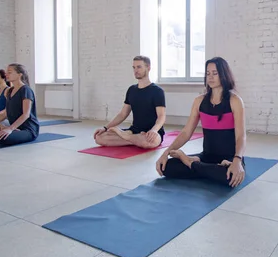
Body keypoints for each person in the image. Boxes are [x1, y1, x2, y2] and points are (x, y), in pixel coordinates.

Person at [156, 57, 247, 187]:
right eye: (208, 73)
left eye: (215, 73)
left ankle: (191, 163)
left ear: (224, 74)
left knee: (230, 176)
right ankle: (199, 166)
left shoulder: (235, 101)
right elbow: (186, 132)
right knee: (167, 167)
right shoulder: (199, 101)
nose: (210, 77)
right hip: (206, 157)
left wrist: (237, 160)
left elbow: (241, 136)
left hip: (229, 159)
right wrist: (166, 153)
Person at [93, 56, 166, 149]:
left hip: (151, 133)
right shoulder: (132, 90)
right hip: (134, 131)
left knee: (151, 142)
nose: (136, 70)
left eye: (139, 67)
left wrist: (154, 130)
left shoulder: (157, 91)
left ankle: (127, 137)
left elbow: (161, 116)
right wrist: (105, 128)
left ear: (148, 68)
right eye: (134, 67)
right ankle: (132, 139)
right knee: (99, 138)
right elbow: (123, 114)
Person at [0, 63, 40, 146]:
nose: (6, 74)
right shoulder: (9, 91)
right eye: (6, 72)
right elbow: (5, 114)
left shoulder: (26, 90)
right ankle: (5, 131)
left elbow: (26, 115)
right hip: (14, 127)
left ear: (19, 75)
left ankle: (8, 132)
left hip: (28, 130)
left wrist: (10, 128)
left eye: (9, 72)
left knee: (1, 138)